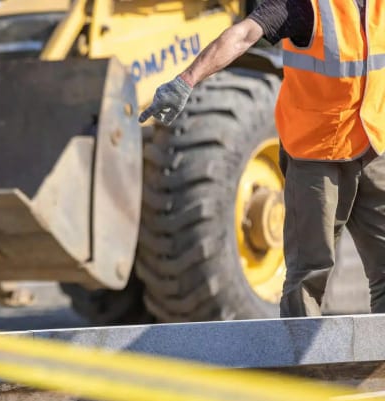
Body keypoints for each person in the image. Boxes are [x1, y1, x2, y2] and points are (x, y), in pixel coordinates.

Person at [139, 0, 385, 319]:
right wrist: (186, 80)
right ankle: (299, 367)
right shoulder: (305, 5)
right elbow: (243, 35)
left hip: (372, 144)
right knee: (310, 274)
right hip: (317, 154)